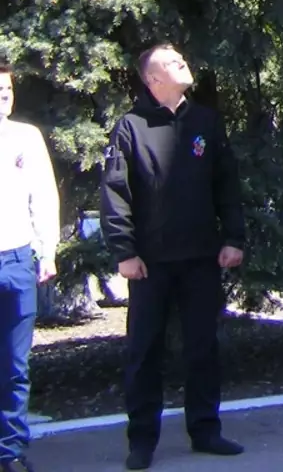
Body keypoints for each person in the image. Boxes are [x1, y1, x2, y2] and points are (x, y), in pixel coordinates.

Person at [101, 45, 247, 469]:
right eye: (172, 61)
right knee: (145, 351)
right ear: (153, 80)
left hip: (201, 256)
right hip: (150, 264)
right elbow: (115, 194)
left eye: (184, 57)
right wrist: (124, 251)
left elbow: (227, 185)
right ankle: (141, 440)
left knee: (203, 347)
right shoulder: (131, 127)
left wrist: (233, 238)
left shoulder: (205, 121)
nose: (184, 62)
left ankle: (206, 430)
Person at [0, 63, 59, 472]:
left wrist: (48, 251)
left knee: (14, 366)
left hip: (17, 261)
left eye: (6, 89)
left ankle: (10, 452)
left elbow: (44, 195)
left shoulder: (26, 137)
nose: (3, 96)